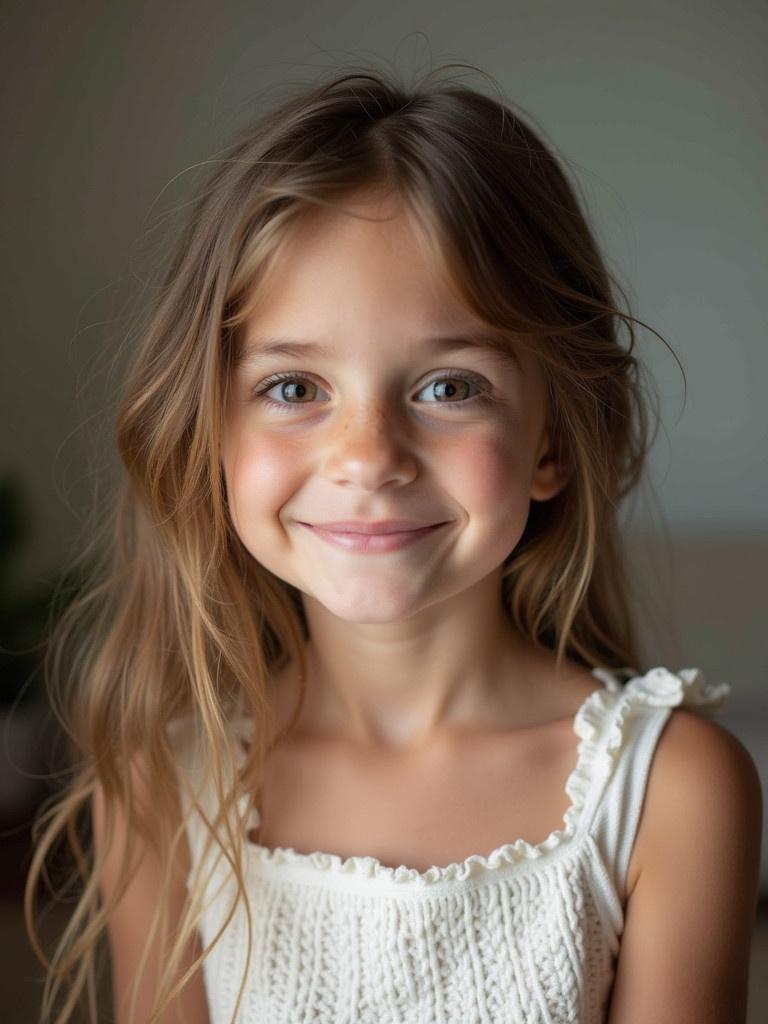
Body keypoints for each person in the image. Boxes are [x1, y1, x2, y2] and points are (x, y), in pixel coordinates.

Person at [25, 64, 762, 1024]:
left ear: (551, 441)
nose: (368, 457)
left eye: (449, 386)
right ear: (209, 431)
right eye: (295, 389)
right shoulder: (164, 785)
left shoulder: (672, 790)